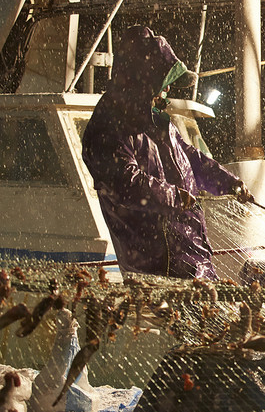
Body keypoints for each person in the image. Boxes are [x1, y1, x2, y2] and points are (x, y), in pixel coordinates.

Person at [82, 25, 252, 280]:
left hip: (191, 259)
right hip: (157, 269)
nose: (168, 90)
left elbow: (189, 158)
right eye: (165, 83)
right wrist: (174, 197)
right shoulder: (106, 131)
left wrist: (229, 182)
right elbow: (126, 185)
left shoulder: (156, 122)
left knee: (213, 313)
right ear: (143, 83)